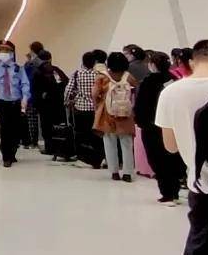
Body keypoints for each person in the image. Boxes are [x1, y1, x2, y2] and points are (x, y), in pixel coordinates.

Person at [157, 39, 208, 255]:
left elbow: (170, 147)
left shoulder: (169, 93)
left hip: (202, 186)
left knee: (200, 245)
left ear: (193, 62)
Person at [135, 51, 185, 205]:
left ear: (152, 64)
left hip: (152, 126)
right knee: (172, 157)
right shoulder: (174, 80)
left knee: (157, 159)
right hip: (172, 125)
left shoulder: (148, 82)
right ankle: (174, 192)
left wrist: (140, 121)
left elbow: (141, 105)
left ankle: (167, 194)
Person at [0, 42, 31, 167]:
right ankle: (6, 156)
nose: (3, 54)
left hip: (15, 103)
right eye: (0, 52)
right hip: (2, 103)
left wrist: (25, 98)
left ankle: (12, 152)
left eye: (5, 52)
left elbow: (25, 84)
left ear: (11, 54)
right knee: (5, 129)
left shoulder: (18, 68)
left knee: (15, 129)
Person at [94, 52, 139, 182]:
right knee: (127, 144)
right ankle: (128, 173)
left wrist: (98, 106)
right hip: (125, 114)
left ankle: (114, 171)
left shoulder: (103, 77)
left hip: (108, 114)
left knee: (109, 142)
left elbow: (95, 94)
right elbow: (137, 90)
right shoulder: (128, 76)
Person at [66, 51, 105, 168]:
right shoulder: (99, 74)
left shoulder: (77, 74)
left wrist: (66, 101)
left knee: (81, 134)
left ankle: (83, 157)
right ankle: (98, 158)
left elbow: (68, 89)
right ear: (94, 62)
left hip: (81, 108)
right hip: (95, 109)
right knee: (96, 135)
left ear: (83, 62)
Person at [30, 50, 69, 155]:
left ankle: (49, 148)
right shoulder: (56, 70)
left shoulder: (37, 72)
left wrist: (37, 103)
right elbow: (66, 82)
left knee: (46, 127)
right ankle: (59, 147)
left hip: (45, 105)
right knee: (58, 125)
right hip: (58, 104)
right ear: (50, 58)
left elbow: (34, 89)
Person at [22, 43, 47, 148]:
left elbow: (27, 79)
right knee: (44, 120)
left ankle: (33, 141)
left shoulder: (30, 65)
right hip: (44, 96)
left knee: (32, 120)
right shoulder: (45, 63)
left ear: (32, 51)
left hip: (32, 95)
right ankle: (47, 142)